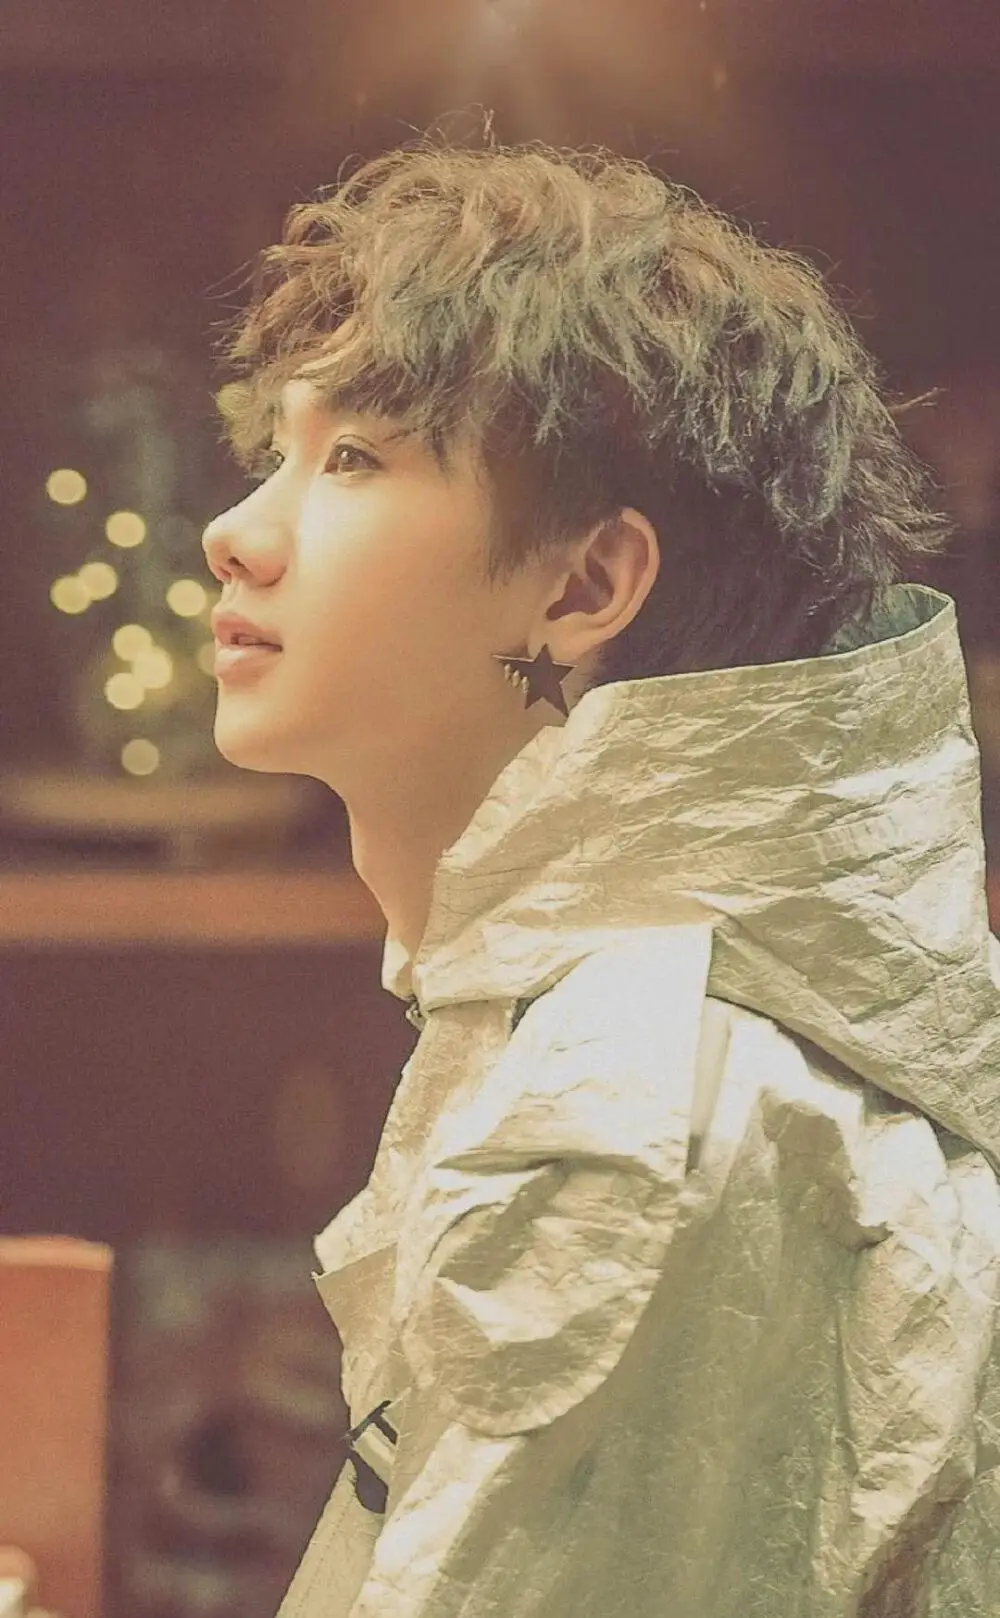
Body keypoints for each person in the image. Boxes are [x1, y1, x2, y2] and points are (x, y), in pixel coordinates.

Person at [200, 131, 1000, 1617]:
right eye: (279, 455)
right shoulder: (630, 1023)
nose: (234, 535)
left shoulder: (643, 1110)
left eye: (354, 458)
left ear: (584, 585)